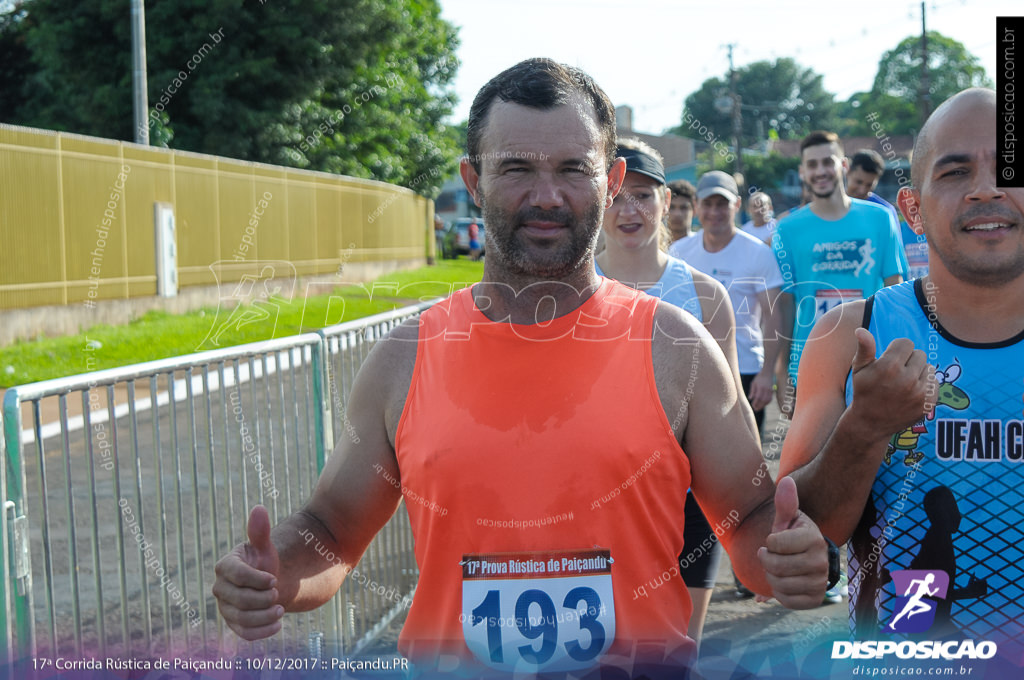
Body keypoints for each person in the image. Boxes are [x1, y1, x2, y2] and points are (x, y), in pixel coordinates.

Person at [213, 58, 830, 679]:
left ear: (612, 180)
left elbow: (748, 521)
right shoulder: (405, 358)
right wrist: (279, 571)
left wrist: (784, 558)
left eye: (572, 169)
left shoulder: (676, 348)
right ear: (473, 181)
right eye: (516, 169)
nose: (546, 196)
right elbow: (334, 528)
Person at [778, 88, 1024, 670]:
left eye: (1008, 169)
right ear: (911, 211)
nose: (986, 188)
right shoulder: (851, 333)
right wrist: (866, 427)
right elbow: (795, 534)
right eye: (956, 170)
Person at [594, 138, 744, 647]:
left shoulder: (704, 294)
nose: (629, 210)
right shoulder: (566, 295)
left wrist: (761, 501)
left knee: (681, 648)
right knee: (605, 650)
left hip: (687, 501)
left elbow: (732, 410)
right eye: (615, 195)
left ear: (666, 202)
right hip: (594, 502)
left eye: (643, 195)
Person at [772, 130, 908, 416]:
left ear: (843, 165)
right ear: (802, 172)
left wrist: (900, 358)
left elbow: (896, 290)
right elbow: (785, 305)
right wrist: (782, 370)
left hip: (870, 361)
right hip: (810, 363)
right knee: (811, 457)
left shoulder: (880, 219)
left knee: (874, 455)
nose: (820, 171)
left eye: (827, 162)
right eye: (812, 165)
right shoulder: (787, 230)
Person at [670, 171, 783, 435]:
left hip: (744, 369)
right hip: (690, 369)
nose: (714, 212)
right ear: (697, 206)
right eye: (707, 204)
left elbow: (773, 315)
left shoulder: (758, 253)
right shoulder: (678, 252)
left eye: (722, 204)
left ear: (736, 206)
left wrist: (767, 373)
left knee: (745, 454)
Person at [848, 148, 929, 279]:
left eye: (869, 185)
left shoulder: (885, 212)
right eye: (858, 182)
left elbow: (895, 258)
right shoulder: (826, 208)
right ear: (847, 171)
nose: (862, 189)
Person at [667, 179, 697, 243]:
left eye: (684, 208)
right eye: (671, 207)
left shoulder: (703, 245)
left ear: (694, 210)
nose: (677, 214)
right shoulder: (655, 246)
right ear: (664, 209)